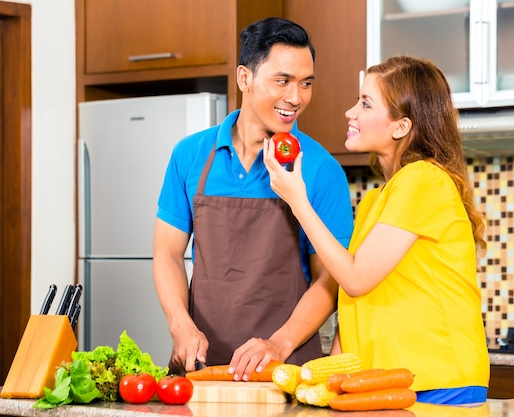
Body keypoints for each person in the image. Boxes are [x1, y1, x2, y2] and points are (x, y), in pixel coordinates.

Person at [263, 55, 490, 405]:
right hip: (382, 387)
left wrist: (298, 201)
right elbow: (354, 300)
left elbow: (355, 278)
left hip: (438, 382)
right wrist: (330, 378)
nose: (350, 113)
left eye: (365, 103)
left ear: (401, 127)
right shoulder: (374, 200)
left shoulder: (424, 181)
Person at [152, 17, 354, 381]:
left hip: (284, 372)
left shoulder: (321, 170)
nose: (296, 98)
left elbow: (329, 281)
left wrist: (278, 343)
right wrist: (180, 324)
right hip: (201, 369)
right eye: (283, 81)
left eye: (306, 84)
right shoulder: (190, 155)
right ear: (245, 78)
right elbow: (166, 252)